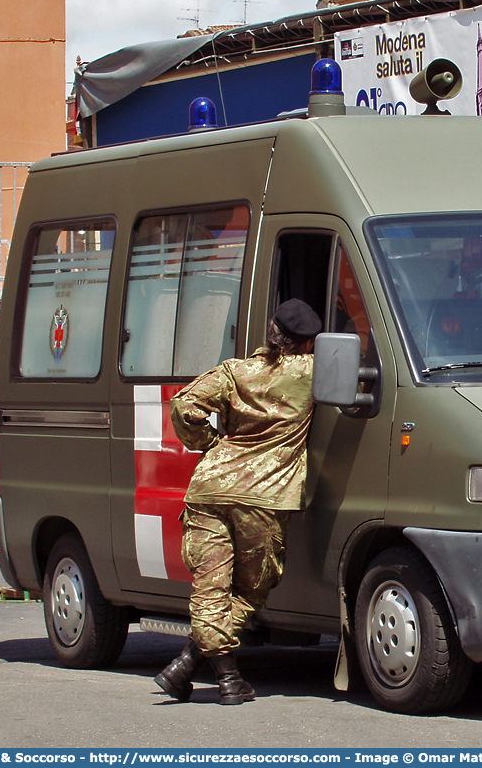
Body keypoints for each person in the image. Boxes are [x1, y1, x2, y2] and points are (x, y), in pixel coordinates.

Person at [154, 299, 321, 705]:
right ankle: (215, 674)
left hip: (210, 489)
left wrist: (211, 448)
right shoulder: (310, 372)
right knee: (250, 590)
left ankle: (201, 670)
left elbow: (183, 404)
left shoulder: (235, 370)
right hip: (262, 496)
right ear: (308, 343)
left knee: (211, 588)